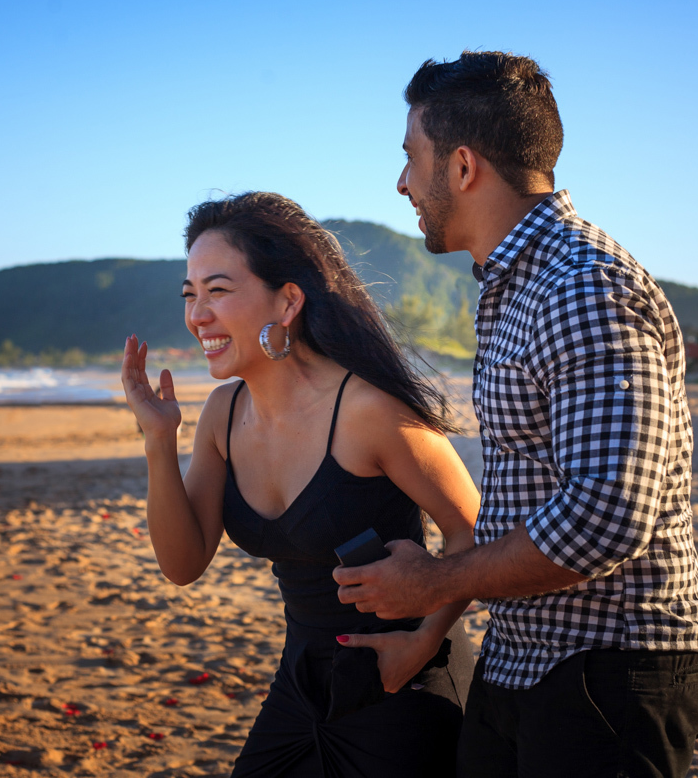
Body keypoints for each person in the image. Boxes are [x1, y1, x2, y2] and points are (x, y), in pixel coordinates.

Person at [333, 52, 698, 778]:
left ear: (462, 165)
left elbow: (607, 516)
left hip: (610, 669)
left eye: (411, 157)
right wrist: (431, 627)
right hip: (524, 661)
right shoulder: (514, 285)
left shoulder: (580, 287)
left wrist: (435, 583)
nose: (402, 183)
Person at [120, 191, 480, 776]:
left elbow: (470, 531)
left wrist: (423, 641)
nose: (197, 316)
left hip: (405, 680)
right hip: (300, 684)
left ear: (287, 301)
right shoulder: (222, 414)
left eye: (217, 291)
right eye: (190, 295)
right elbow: (182, 564)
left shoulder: (367, 410)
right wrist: (158, 440)